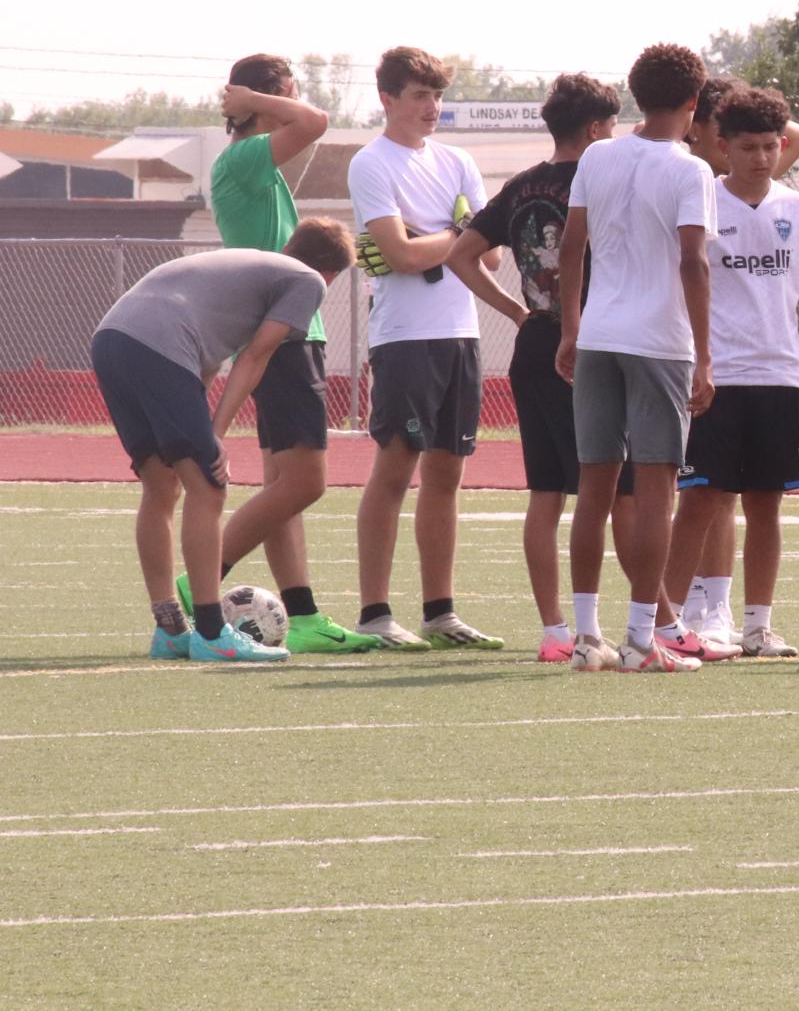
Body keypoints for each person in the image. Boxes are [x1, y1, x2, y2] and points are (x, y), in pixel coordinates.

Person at [181, 54, 379, 653]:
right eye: (288, 92)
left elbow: (307, 121)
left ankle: (306, 615)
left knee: (282, 488)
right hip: (287, 333)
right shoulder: (242, 158)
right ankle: (202, 578)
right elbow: (316, 120)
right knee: (304, 484)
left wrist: (254, 102)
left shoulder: (249, 164)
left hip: (287, 329)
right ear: (269, 98)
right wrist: (251, 99)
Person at [93, 220, 357, 662]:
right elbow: (256, 355)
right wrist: (214, 435)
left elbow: (207, 357)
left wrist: (205, 427)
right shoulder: (307, 280)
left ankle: (171, 629)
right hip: (159, 344)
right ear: (331, 272)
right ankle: (213, 632)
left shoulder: (252, 269)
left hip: (111, 340)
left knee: (161, 485)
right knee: (209, 485)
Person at [446, 73, 637, 664]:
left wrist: (520, 313)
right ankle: (639, 620)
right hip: (592, 343)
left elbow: (460, 255)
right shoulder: (599, 178)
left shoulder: (523, 185)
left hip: (536, 342)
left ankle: (555, 628)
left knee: (546, 491)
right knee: (618, 489)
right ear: (595, 129)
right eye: (612, 126)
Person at [557, 43, 730, 673]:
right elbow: (693, 261)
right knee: (656, 490)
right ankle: (638, 640)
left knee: (594, 487)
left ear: (635, 92)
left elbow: (572, 248)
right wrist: (706, 357)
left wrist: (571, 328)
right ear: (692, 103)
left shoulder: (597, 155)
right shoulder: (691, 172)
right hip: (659, 343)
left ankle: (584, 636)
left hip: (599, 335)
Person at [658, 86, 799, 659]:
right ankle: (671, 622)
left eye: (769, 146)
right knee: (701, 499)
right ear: (723, 147)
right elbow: (684, 279)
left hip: (779, 375)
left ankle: (757, 625)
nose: (760, 157)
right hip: (718, 376)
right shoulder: (702, 201)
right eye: (747, 146)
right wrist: (694, 359)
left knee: (766, 503)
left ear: (781, 146)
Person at [347, 46, 504, 650]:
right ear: (388, 99)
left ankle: (440, 612)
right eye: (419, 95)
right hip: (404, 339)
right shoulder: (371, 163)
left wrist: (440, 238)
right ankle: (375, 613)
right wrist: (456, 236)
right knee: (394, 470)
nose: (432, 107)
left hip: (459, 334)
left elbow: (488, 255)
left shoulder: (459, 160)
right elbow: (404, 255)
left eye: (437, 96)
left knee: (447, 475)